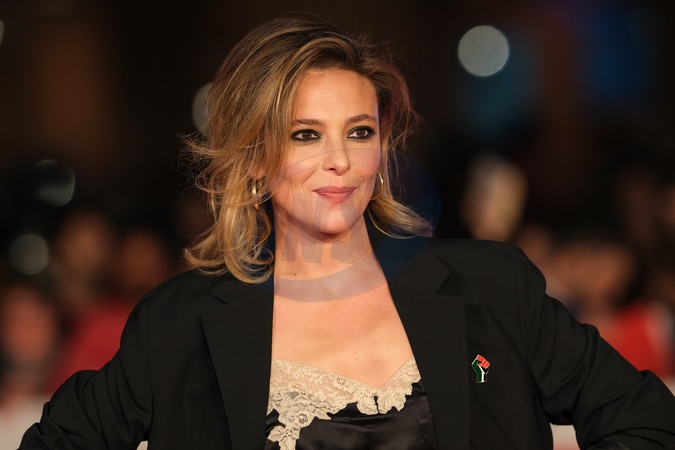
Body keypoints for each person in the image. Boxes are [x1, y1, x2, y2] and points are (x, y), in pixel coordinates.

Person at [20, 15, 675, 450]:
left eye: (359, 132)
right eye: (306, 135)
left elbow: (646, 421)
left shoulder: (492, 288)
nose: (340, 160)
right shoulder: (180, 323)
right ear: (254, 159)